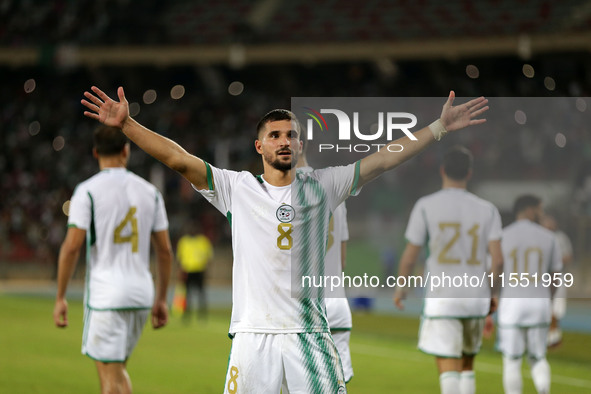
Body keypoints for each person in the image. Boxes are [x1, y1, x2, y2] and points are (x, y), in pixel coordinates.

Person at [81, 85, 488, 393]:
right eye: (274, 135)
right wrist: (128, 125)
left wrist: (438, 127)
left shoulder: (325, 185)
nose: (284, 141)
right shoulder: (235, 188)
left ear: (301, 144)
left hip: (308, 336)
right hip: (252, 336)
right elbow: (178, 158)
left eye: (290, 135)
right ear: (259, 146)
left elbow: (385, 157)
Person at [53, 125, 173, 394]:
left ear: (95, 152)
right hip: (141, 294)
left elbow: (72, 247)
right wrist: (162, 298)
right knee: (117, 374)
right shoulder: (150, 192)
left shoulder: (88, 191)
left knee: (110, 380)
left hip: (107, 295)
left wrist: (60, 296)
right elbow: (164, 251)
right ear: (126, 150)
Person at [393, 145, 504, 394]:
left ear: (442, 170)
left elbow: (411, 256)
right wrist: (492, 294)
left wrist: (401, 289)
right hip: (476, 298)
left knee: (448, 364)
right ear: (469, 173)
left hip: (443, 297)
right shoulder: (487, 209)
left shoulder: (426, 205)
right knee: (467, 363)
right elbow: (497, 260)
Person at [296, 136, 354, 383]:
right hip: (337, 304)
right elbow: (342, 258)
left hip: (304, 309)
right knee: (335, 384)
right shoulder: (334, 190)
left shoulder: (280, 191)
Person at [497, 195, 562, 394]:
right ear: (528, 209)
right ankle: (543, 390)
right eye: (538, 209)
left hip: (511, 304)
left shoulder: (502, 236)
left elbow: (495, 269)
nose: (541, 214)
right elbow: (556, 275)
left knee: (511, 359)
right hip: (539, 302)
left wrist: (493, 296)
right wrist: (548, 300)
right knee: (538, 357)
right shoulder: (549, 237)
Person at [541, 213, 573, 348]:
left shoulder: (560, 238)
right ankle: (549, 337)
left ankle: (554, 337)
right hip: (542, 277)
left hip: (557, 276)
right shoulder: (539, 236)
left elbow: (568, 256)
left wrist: (554, 263)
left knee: (557, 310)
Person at [176, 222, 214, 322]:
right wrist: (180, 271)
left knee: (201, 294)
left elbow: (208, 256)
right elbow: (180, 258)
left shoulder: (203, 241)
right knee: (188, 294)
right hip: (188, 271)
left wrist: (207, 269)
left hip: (199, 270)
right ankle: (186, 315)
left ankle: (202, 315)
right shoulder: (184, 241)